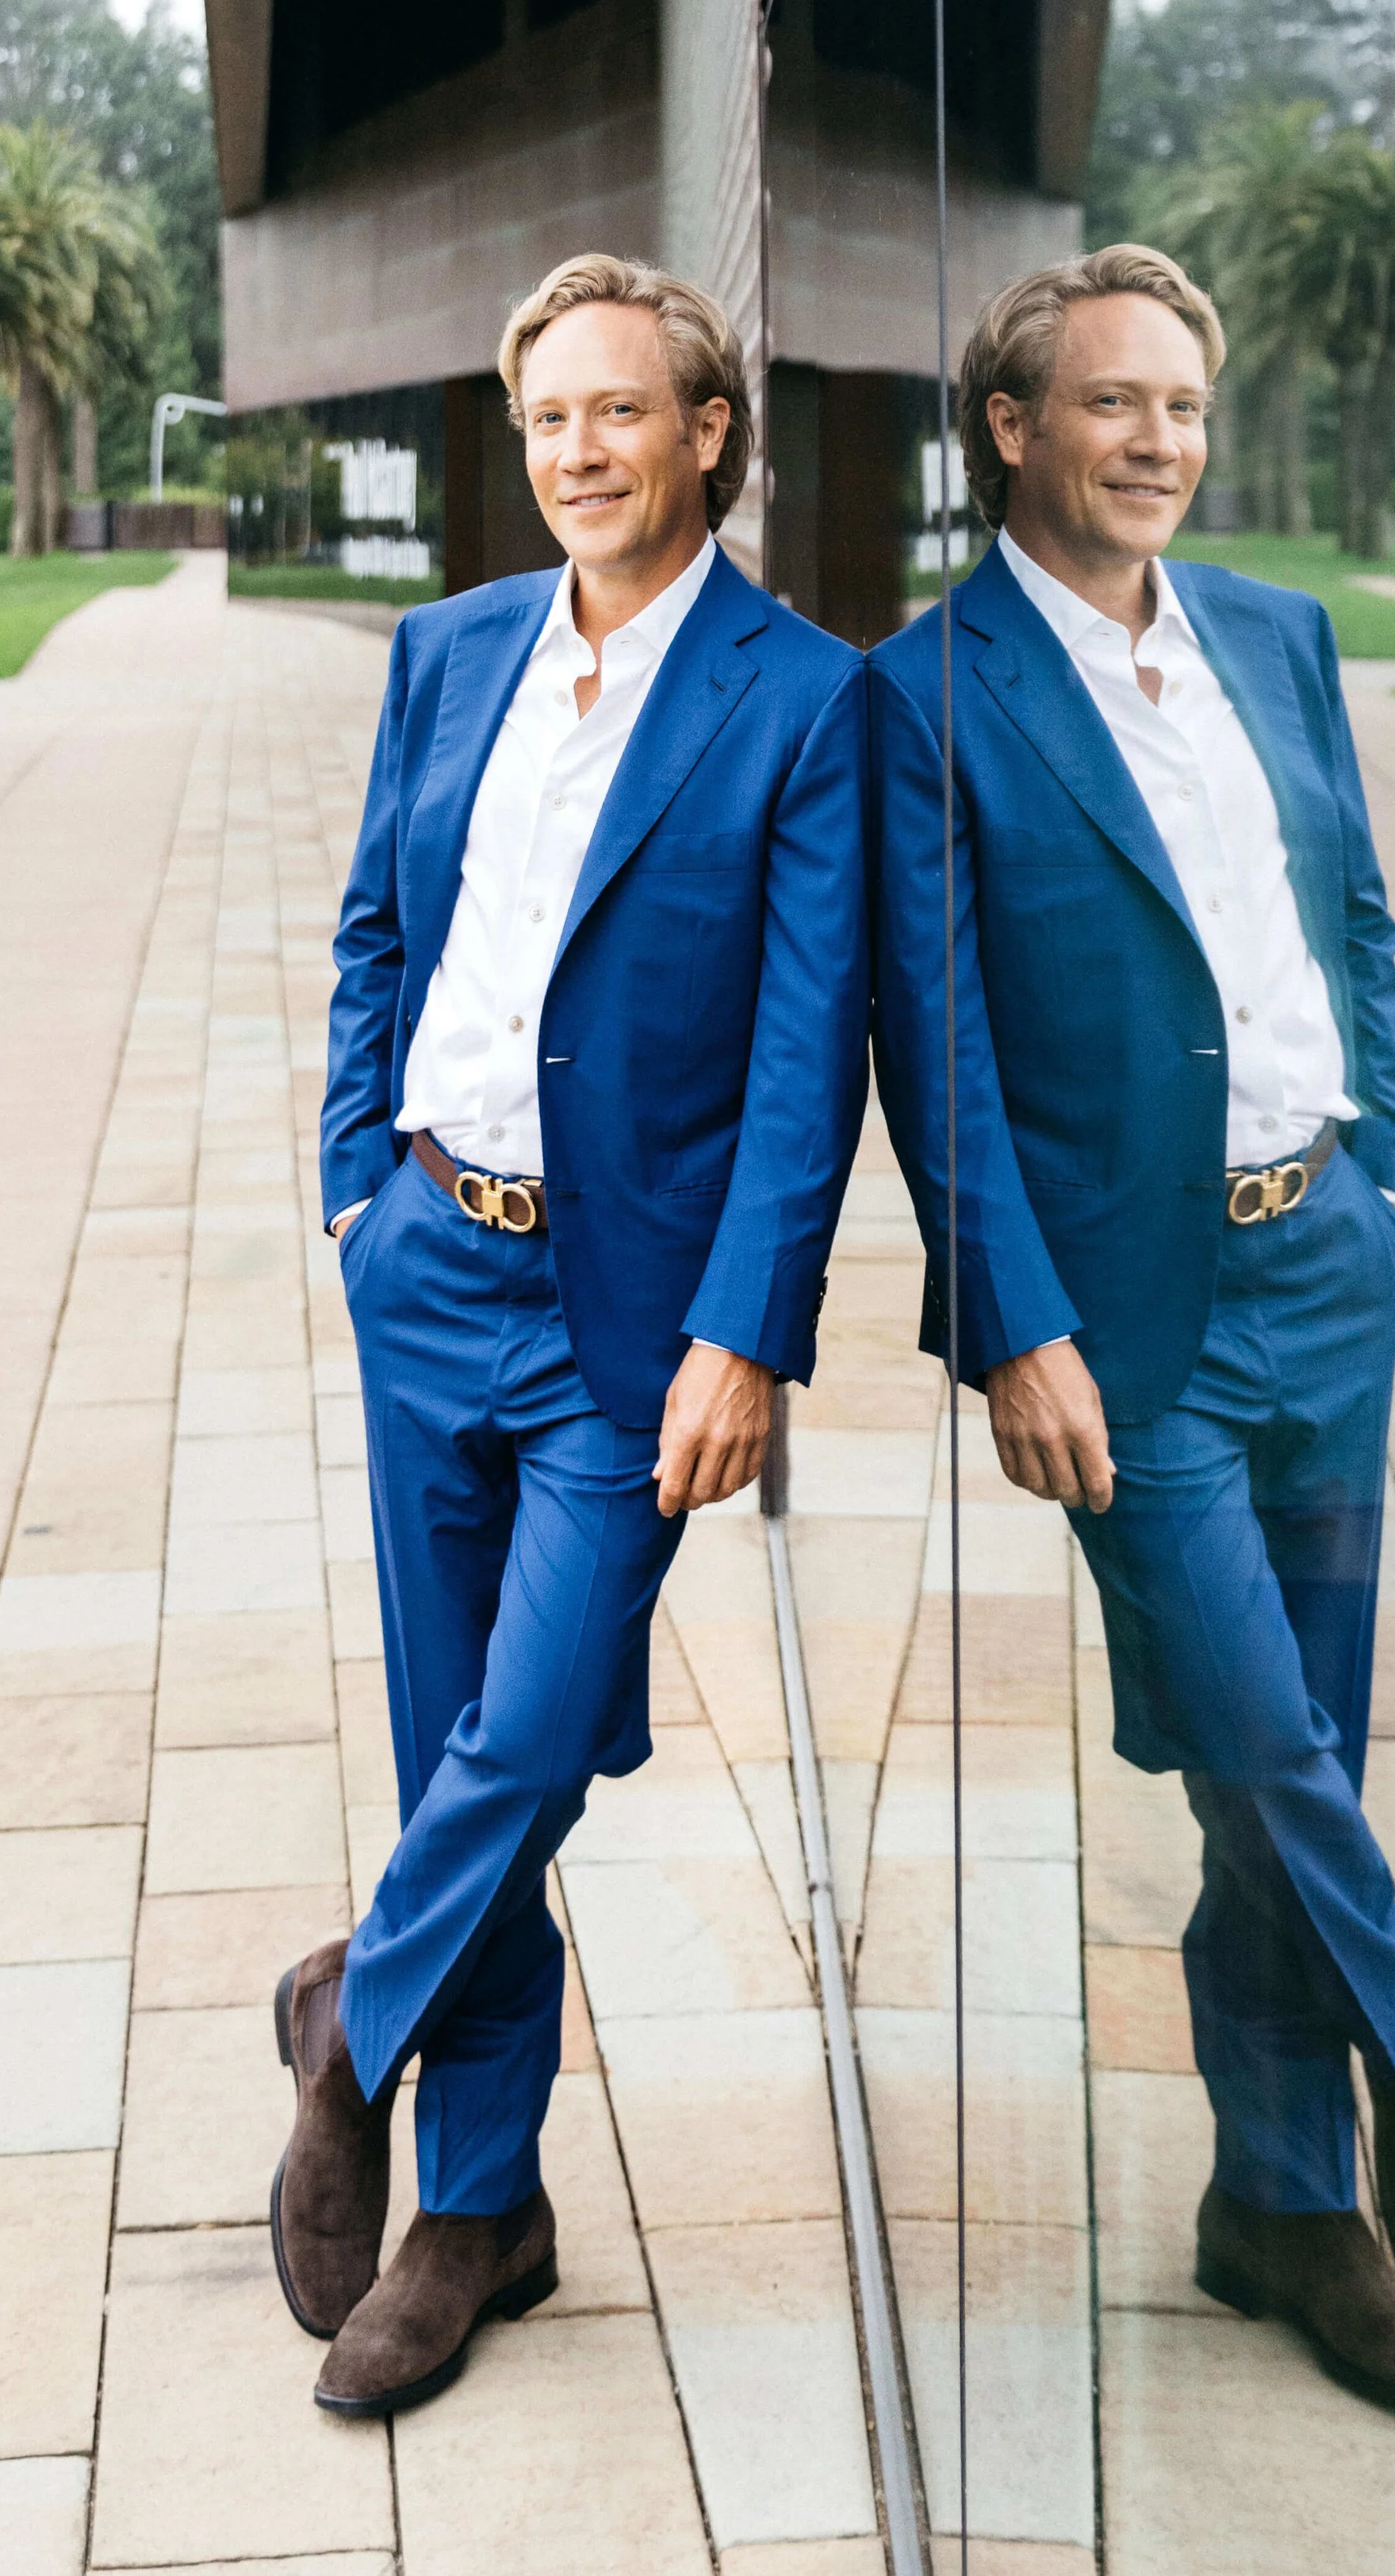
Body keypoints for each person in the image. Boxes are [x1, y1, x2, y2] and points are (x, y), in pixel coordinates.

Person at [868, 244, 1395, 2416]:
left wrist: (1386, 1168)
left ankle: (1278, 2207)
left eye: (1182, 405)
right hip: (1128, 1324)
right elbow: (929, 1045)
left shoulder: (1280, 640)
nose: (1154, 441)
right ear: (1010, 428)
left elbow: (1354, 923)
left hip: (1324, 1263)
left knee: (1284, 1754)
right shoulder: (926, 690)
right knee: (1249, 1726)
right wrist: (1010, 1325)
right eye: (1108, 402)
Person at [276, 253, 868, 2417]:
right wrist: (357, 1184)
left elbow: (812, 1058)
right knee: (470, 1750)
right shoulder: (442, 658)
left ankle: (354, 2016)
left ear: (707, 428)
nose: (578, 454)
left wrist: (749, 1334)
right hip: (431, 1260)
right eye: (548, 420)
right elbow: (370, 933)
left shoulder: (807, 698)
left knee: (527, 1739)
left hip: (631, 1326)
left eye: (620, 411)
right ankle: (477, 2214)